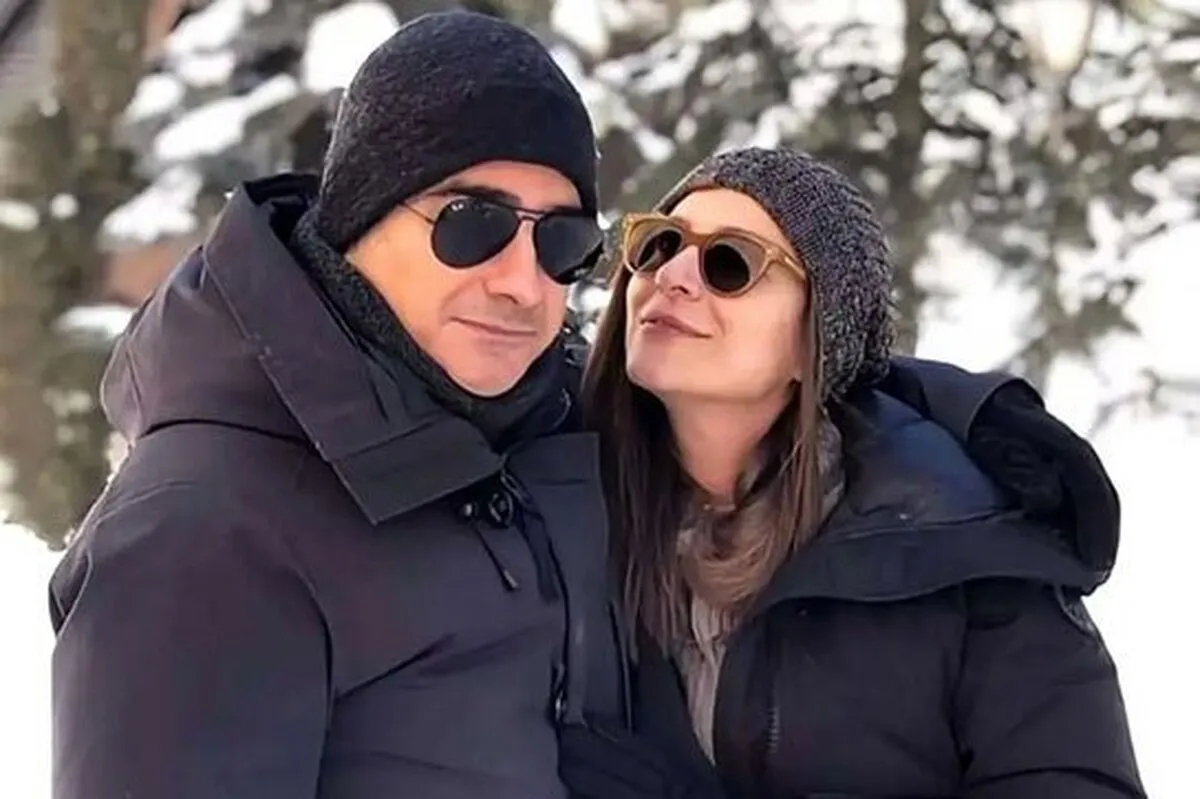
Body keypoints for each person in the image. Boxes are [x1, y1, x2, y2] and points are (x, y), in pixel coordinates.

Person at [48, 12, 628, 799]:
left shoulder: (531, 443)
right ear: (360, 217)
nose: (523, 284)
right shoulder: (204, 533)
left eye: (562, 242)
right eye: (472, 225)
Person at [561, 147, 1145, 798]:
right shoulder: (558, 511)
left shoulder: (965, 546)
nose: (673, 275)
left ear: (817, 339)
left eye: (730, 263)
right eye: (660, 244)